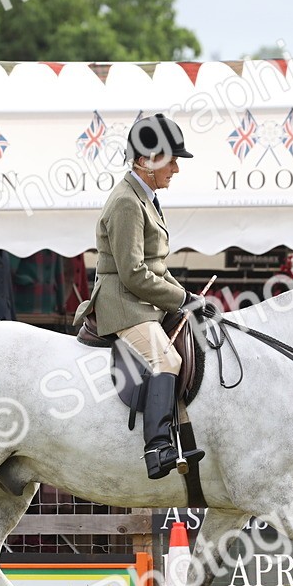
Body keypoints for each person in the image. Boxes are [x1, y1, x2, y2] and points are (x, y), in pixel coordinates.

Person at [73, 113, 215, 479]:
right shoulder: (126, 201)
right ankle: (156, 447)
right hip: (124, 304)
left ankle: (180, 434)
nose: (176, 169)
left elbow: (157, 266)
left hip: (144, 300)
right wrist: (179, 300)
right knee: (166, 359)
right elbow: (134, 273)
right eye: (171, 160)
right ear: (144, 161)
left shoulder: (145, 198)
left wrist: (188, 297)